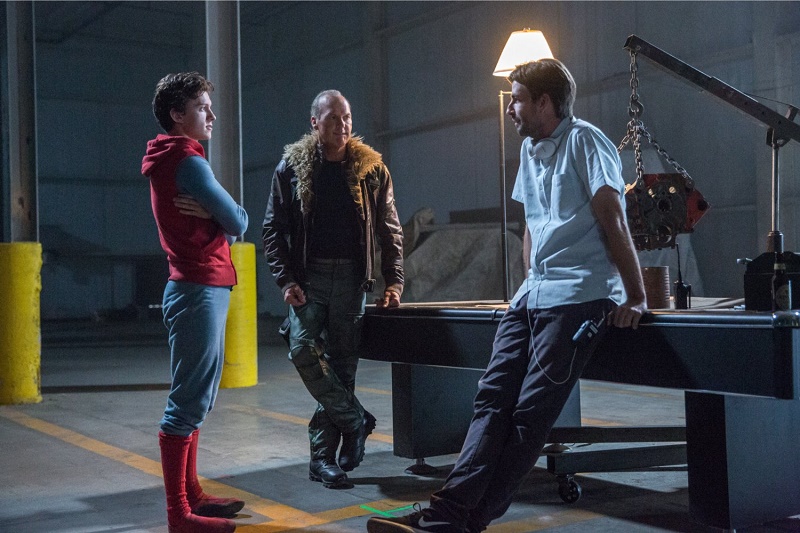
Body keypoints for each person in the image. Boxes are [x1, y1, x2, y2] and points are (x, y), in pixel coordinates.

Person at [367, 58, 647, 533]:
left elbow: (612, 215)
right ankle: (450, 517)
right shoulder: (530, 151)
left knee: (528, 417)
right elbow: (531, 226)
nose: (509, 108)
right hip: (532, 299)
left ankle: (456, 518)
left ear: (544, 102)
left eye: (517, 99)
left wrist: (635, 296)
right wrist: (527, 284)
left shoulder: (586, 141)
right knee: (491, 400)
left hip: (578, 299)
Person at [262, 89, 404, 489]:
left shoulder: (372, 170)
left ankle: (322, 460)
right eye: (333, 118)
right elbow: (272, 229)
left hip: (352, 281)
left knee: (342, 367)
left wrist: (394, 281)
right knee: (302, 349)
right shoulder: (292, 168)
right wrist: (286, 280)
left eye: (347, 117)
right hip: (309, 279)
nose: (342, 125)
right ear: (315, 123)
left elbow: (390, 229)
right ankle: (355, 420)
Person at [142, 72, 249, 533]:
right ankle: (179, 514)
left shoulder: (173, 158)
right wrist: (220, 214)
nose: (212, 116)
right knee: (187, 403)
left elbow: (227, 222)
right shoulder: (187, 160)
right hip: (197, 289)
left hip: (199, 288)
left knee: (197, 399)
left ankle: (193, 496)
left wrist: (213, 214)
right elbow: (239, 221)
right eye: (203, 107)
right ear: (176, 114)